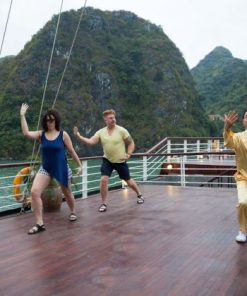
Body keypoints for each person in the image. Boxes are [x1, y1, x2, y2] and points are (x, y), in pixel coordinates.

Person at [20, 103, 82, 234]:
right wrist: (22, 115)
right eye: (47, 120)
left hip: (61, 167)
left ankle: (73, 211)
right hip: (46, 168)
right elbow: (26, 133)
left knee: (67, 193)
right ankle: (39, 224)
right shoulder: (41, 134)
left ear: (56, 120)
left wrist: (80, 165)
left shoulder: (63, 135)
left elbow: (71, 151)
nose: (50, 122)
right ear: (45, 121)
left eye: (52, 120)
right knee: (35, 191)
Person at [74, 109, 144, 212]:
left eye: (114, 117)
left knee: (128, 180)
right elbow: (91, 141)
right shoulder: (101, 132)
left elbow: (131, 143)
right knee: (103, 180)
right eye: (110, 118)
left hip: (120, 161)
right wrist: (79, 137)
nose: (113, 120)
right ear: (105, 120)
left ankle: (139, 194)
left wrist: (128, 154)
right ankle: (103, 204)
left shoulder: (122, 130)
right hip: (107, 160)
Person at [224, 110, 247, 242]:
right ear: (244, 121)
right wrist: (227, 127)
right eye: (246, 117)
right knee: (243, 202)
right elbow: (228, 141)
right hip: (243, 177)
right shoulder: (238, 137)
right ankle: (243, 230)